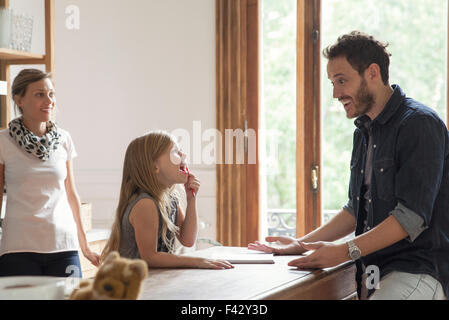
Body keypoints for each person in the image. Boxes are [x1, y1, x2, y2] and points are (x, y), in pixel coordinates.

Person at [249, 31, 449, 300]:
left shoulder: (419, 124)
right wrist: (303, 244)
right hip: (374, 273)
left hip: (418, 273)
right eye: (332, 82)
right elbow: (357, 209)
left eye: (342, 81)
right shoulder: (363, 131)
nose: (335, 93)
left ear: (373, 73)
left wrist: (343, 251)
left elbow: (410, 218)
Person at [0, 69, 100, 278]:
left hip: (63, 246)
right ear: (19, 99)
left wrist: (85, 246)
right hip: (19, 248)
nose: (49, 101)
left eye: (51, 94)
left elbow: (71, 194)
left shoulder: (64, 139)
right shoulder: (3, 141)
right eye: (39, 94)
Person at [101, 131, 233, 270]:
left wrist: (191, 199)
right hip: (128, 284)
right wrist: (196, 261)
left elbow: (188, 240)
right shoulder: (145, 204)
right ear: (154, 167)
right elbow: (150, 257)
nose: (184, 155)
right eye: (175, 152)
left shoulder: (171, 199)